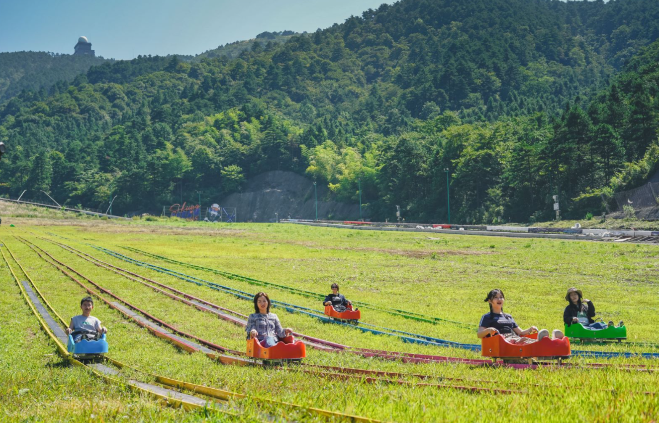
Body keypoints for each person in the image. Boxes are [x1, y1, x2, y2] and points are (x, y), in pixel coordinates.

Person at [477, 289, 563, 344]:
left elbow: (520, 332)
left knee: (524, 339)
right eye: (496, 297)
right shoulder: (487, 317)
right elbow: (479, 334)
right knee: (523, 341)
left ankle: (550, 341)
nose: (499, 299)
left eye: (501, 297)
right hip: (502, 341)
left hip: (513, 338)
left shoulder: (508, 317)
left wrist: (530, 329)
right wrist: (488, 330)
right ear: (489, 301)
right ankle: (546, 342)